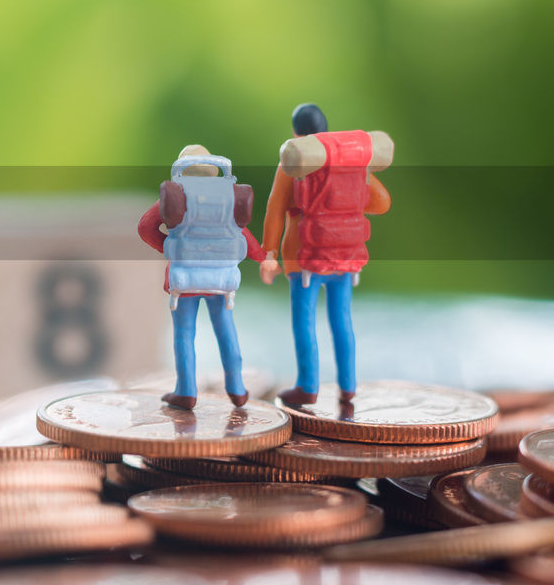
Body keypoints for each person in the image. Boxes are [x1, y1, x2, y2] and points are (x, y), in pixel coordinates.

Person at [259, 104, 392, 406]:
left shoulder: (293, 166)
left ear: (296, 133)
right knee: (342, 321)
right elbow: (383, 202)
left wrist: (268, 254)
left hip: (303, 258)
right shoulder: (351, 162)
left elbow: (275, 211)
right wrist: (350, 198)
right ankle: (347, 385)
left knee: (304, 323)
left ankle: (308, 386)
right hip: (345, 258)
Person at [138, 144, 265, 410]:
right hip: (221, 279)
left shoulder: (176, 195)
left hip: (184, 281)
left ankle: (186, 391)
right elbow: (241, 234)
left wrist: (172, 248)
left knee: (184, 334)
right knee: (226, 330)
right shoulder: (228, 195)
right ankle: (237, 387)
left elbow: (146, 227)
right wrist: (264, 258)